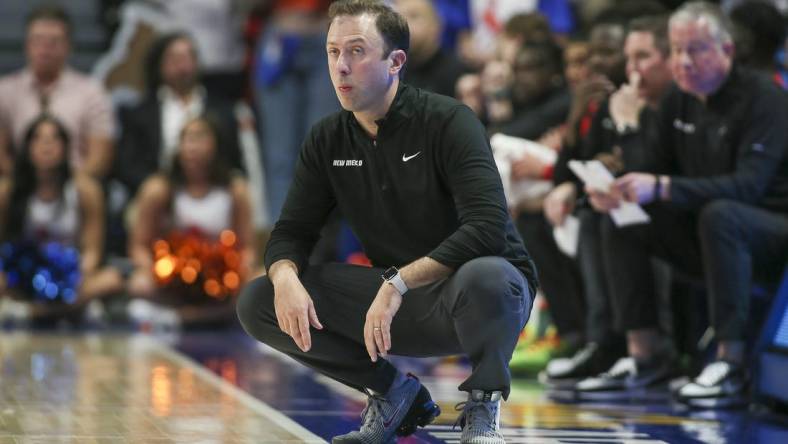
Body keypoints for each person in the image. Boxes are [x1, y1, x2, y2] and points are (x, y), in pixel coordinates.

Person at [236, 1, 537, 442]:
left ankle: (484, 408)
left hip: (476, 296)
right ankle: (393, 392)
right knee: (258, 299)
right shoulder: (327, 138)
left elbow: (487, 228)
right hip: (393, 300)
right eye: (333, 52)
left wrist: (398, 282)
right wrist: (285, 278)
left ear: (395, 61)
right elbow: (291, 232)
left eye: (356, 51)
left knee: (489, 275)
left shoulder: (449, 121)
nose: (341, 67)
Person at [582, 2, 788, 406]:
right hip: (707, 232)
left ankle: (730, 362)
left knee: (722, 213)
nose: (684, 61)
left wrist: (660, 187)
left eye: (696, 49)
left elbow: (747, 186)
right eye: (677, 50)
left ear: (727, 50)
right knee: (624, 218)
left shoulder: (767, 99)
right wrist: (618, 184)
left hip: (770, 231)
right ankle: (645, 356)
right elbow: (649, 172)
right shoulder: (679, 99)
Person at [542, 14, 675, 388]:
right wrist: (575, 117)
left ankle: (640, 347)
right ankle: (600, 341)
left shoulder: (657, 102)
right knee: (591, 213)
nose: (600, 62)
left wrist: (629, 129)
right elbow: (575, 166)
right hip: (622, 207)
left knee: (609, 218)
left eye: (610, 52)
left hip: (669, 209)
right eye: (594, 53)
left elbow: (649, 165)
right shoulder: (603, 101)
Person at [127, 115, 255, 327]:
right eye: (186, 139)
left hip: (220, 280)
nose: (192, 146)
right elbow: (138, 246)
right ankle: (210, 315)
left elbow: (248, 247)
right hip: (174, 281)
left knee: (258, 283)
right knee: (139, 284)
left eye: (199, 138)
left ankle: (179, 317)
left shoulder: (235, 189)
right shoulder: (159, 189)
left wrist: (234, 272)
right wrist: (159, 271)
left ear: (217, 144)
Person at [0, 115, 123, 322]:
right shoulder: (8, 191)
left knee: (112, 279)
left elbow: (92, 250)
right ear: (27, 147)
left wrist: (72, 277)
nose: (46, 145)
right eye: (38, 138)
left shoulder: (85, 190)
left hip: (70, 273)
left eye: (54, 139)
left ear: (66, 147)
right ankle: (71, 309)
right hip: (22, 274)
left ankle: (30, 312)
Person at [116, 32, 244, 197]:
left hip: (212, 191)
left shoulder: (223, 110)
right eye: (175, 59)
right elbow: (127, 166)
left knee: (239, 188)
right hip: (158, 197)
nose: (183, 66)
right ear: (159, 65)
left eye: (188, 57)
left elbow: (234, 161)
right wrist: (160, 187)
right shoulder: (138, 113)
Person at [0, 4, 115, 179]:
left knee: (90, 191)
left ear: (69, 46)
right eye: (38, 40)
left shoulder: (91, 91)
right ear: (27, 45)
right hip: (20, 184)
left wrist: (67, 188)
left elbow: (100, 157)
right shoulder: (5, 90)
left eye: (54, 42)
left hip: (75, 183)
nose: (45, 49)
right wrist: (21, 185)